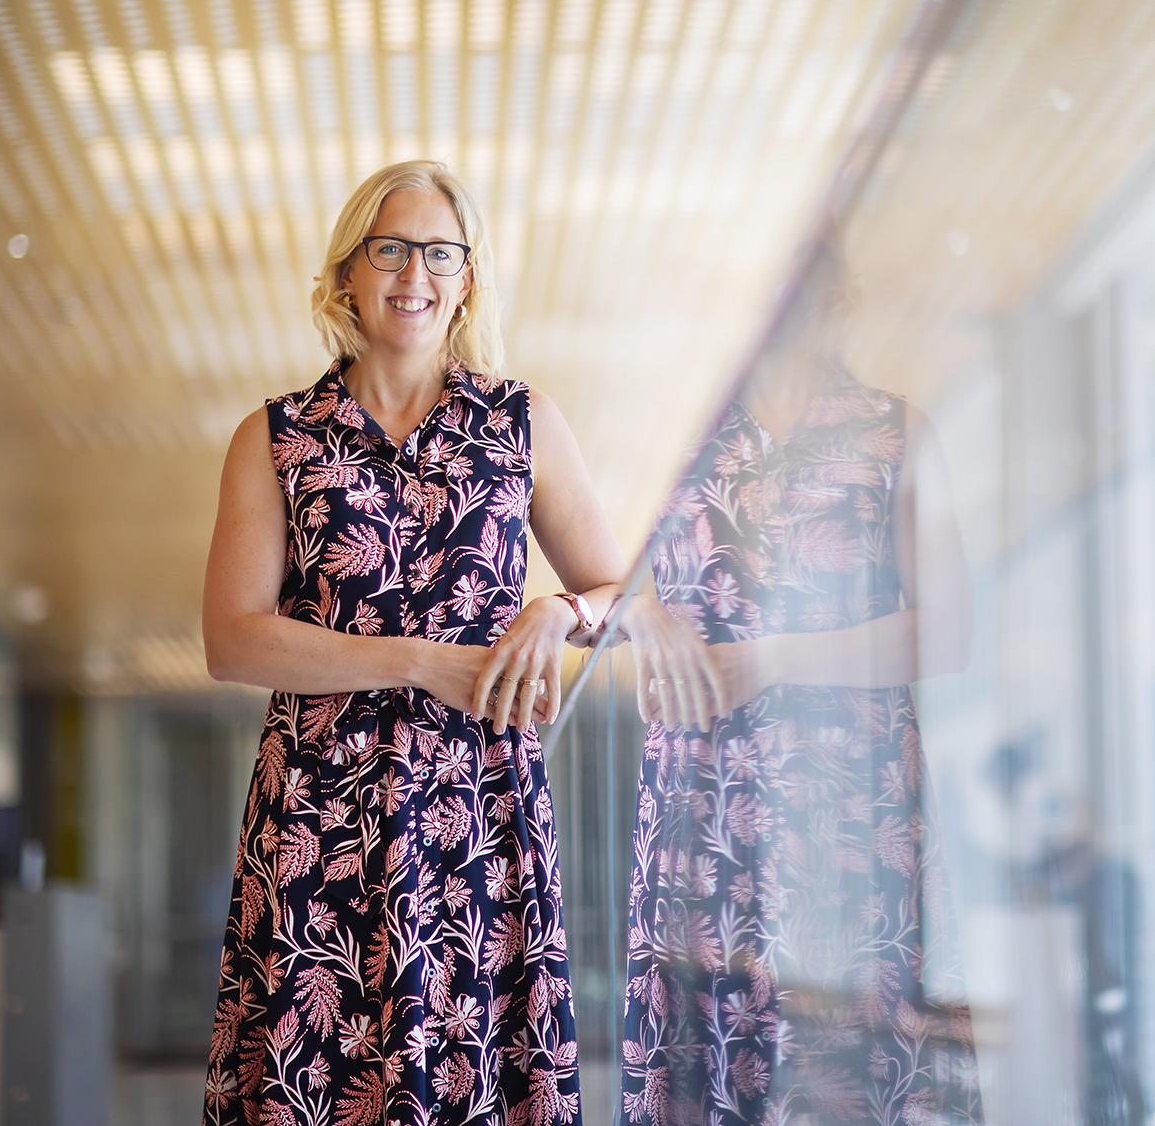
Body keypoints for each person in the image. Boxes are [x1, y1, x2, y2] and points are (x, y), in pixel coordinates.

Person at [202, 161, 659, 1126]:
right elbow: (232, 640)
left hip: (478, 814)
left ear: (467, 280)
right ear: (348, 277)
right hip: (320, 816)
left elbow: (622, 595)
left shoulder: (520, 423)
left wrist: (556, 612)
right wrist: (418, 659)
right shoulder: (274, 438)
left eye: (441, 252)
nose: (416, 271)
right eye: (392, 248)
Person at [618, 250, 982, 1126]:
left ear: (834, 296)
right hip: (704, 800)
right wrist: (641, 618)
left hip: (852, 799)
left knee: (856, 1058)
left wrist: (775, 657)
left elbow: (953, 627)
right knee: (713, 1053)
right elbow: (608, 582)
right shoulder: (675, 438)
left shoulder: (894, 431)